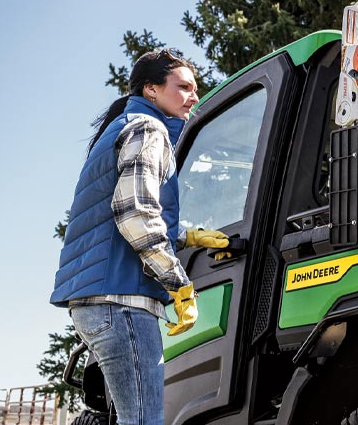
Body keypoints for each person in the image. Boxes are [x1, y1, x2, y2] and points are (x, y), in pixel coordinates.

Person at [51, 49, 227, 425]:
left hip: (100, 301)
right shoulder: (149, 129)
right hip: (122, 304)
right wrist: (179, 284)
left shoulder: (124, 126)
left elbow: (123, 210)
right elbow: (134, 214)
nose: (194, 97)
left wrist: (187, 235)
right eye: (183, 87)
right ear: (151, 89)